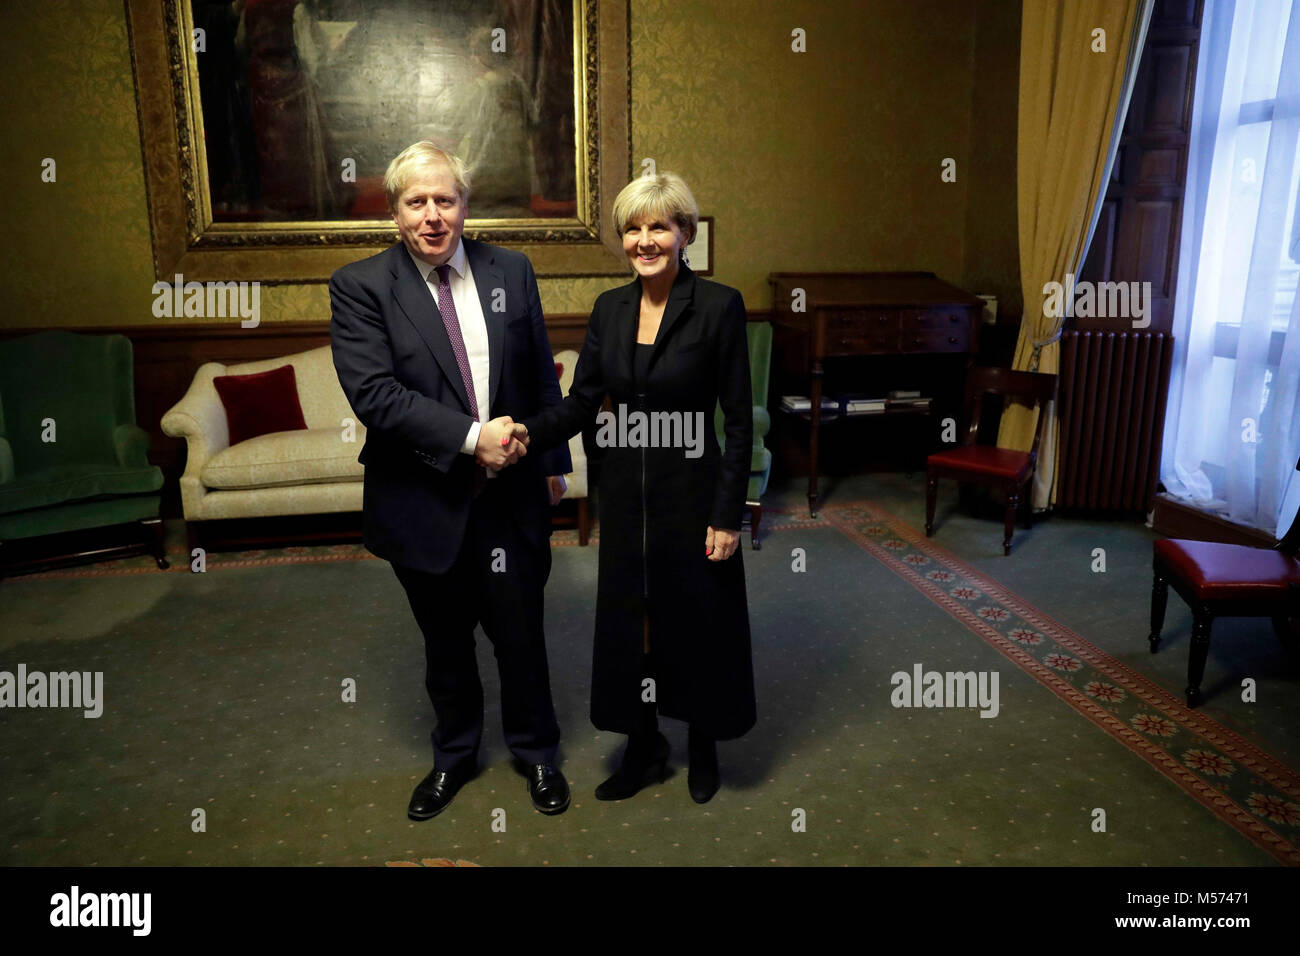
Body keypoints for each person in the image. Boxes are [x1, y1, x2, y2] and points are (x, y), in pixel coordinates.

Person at [329, 142, 573, 820]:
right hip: (423, 498)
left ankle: (537, 752)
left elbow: (539, 377)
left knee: (522, 635)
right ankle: (454, 755)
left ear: (464, 205)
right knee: (445, 643)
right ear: (394, 211)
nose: (433, 216)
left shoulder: (512, 270)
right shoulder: (361, 286)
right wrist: (474, 441)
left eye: (446, 200)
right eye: (417, 202)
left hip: (513, 496)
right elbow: (374, 395)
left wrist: (554, 464)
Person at [518, 172, 756, 803]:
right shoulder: (610, 309)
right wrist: (524, 435)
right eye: (633, 228)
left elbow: (737, 422)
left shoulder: (719, 306)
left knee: (699, 622)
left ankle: (702, 740)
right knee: (637, 626)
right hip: (628, 500)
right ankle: (645, 745)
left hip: (695, 497)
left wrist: (728, 515)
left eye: (659, 226)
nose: (645, 239)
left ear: (685, 233)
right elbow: (581, 402)